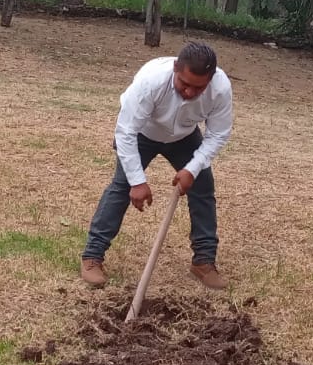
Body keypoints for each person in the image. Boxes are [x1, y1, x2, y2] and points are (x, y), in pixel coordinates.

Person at [80, 42, 233, 290]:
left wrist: (192, 169)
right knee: (121, 188)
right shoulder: (150, 82)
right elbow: (126, 132)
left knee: (203, 188)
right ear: (175, 68)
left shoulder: (220, 88)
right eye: (185, 84)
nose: (190, 93)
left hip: (184, 136)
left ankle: (204, 262)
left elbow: (218, 134)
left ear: (211, 78)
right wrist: (138, 181)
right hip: (142, 134)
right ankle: (92, 256)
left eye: (199, 88)